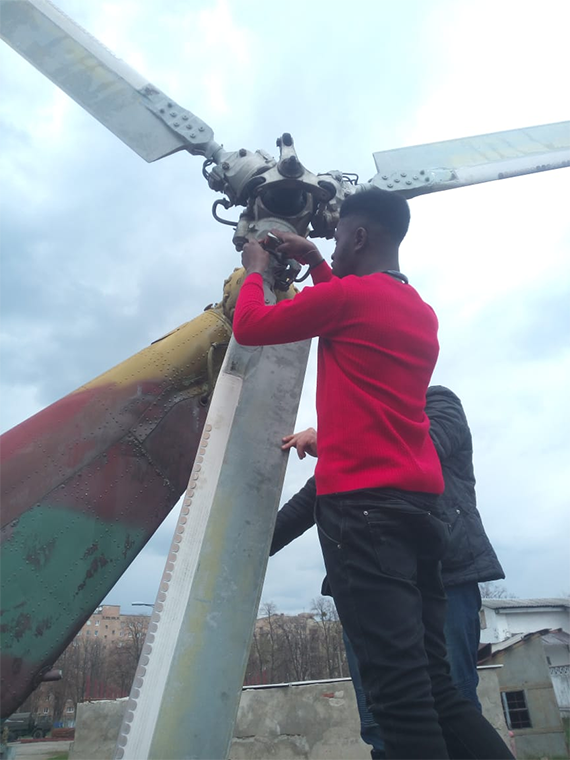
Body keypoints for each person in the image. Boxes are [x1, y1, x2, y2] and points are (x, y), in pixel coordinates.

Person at [233, 186, 513, 759]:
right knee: (438, 689)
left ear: (359, 237)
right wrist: (316, 261)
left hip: (363, 515)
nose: (333, 247)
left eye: (338, 238)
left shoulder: (349, 301)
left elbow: (252, 325)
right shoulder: (419, 310)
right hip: (420, 513)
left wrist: (256, 269)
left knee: (398, 702)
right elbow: (346, 310)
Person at [270, 385, 506, 759]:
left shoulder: (438, 403)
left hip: (443, 578)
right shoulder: (353, 439)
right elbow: (308, 501)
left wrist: (328, 442)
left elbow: (417, 451)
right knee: (381, 719)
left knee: (448, 703)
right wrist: (249, 548)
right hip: (365, 586)